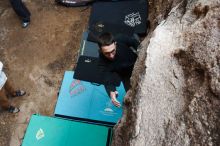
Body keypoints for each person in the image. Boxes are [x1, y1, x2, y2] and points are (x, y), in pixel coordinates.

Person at [98, 32, 140, 107]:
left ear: (115, 43)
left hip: (137, 62)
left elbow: (134, 42)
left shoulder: (120, 38)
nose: (111, 56)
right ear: (101, 50)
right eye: (107, 53)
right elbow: (107, 79)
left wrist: (141, 52)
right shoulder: (102, 63)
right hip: (125, 75)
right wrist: (112, 92)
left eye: (112, 51)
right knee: (133, 97)